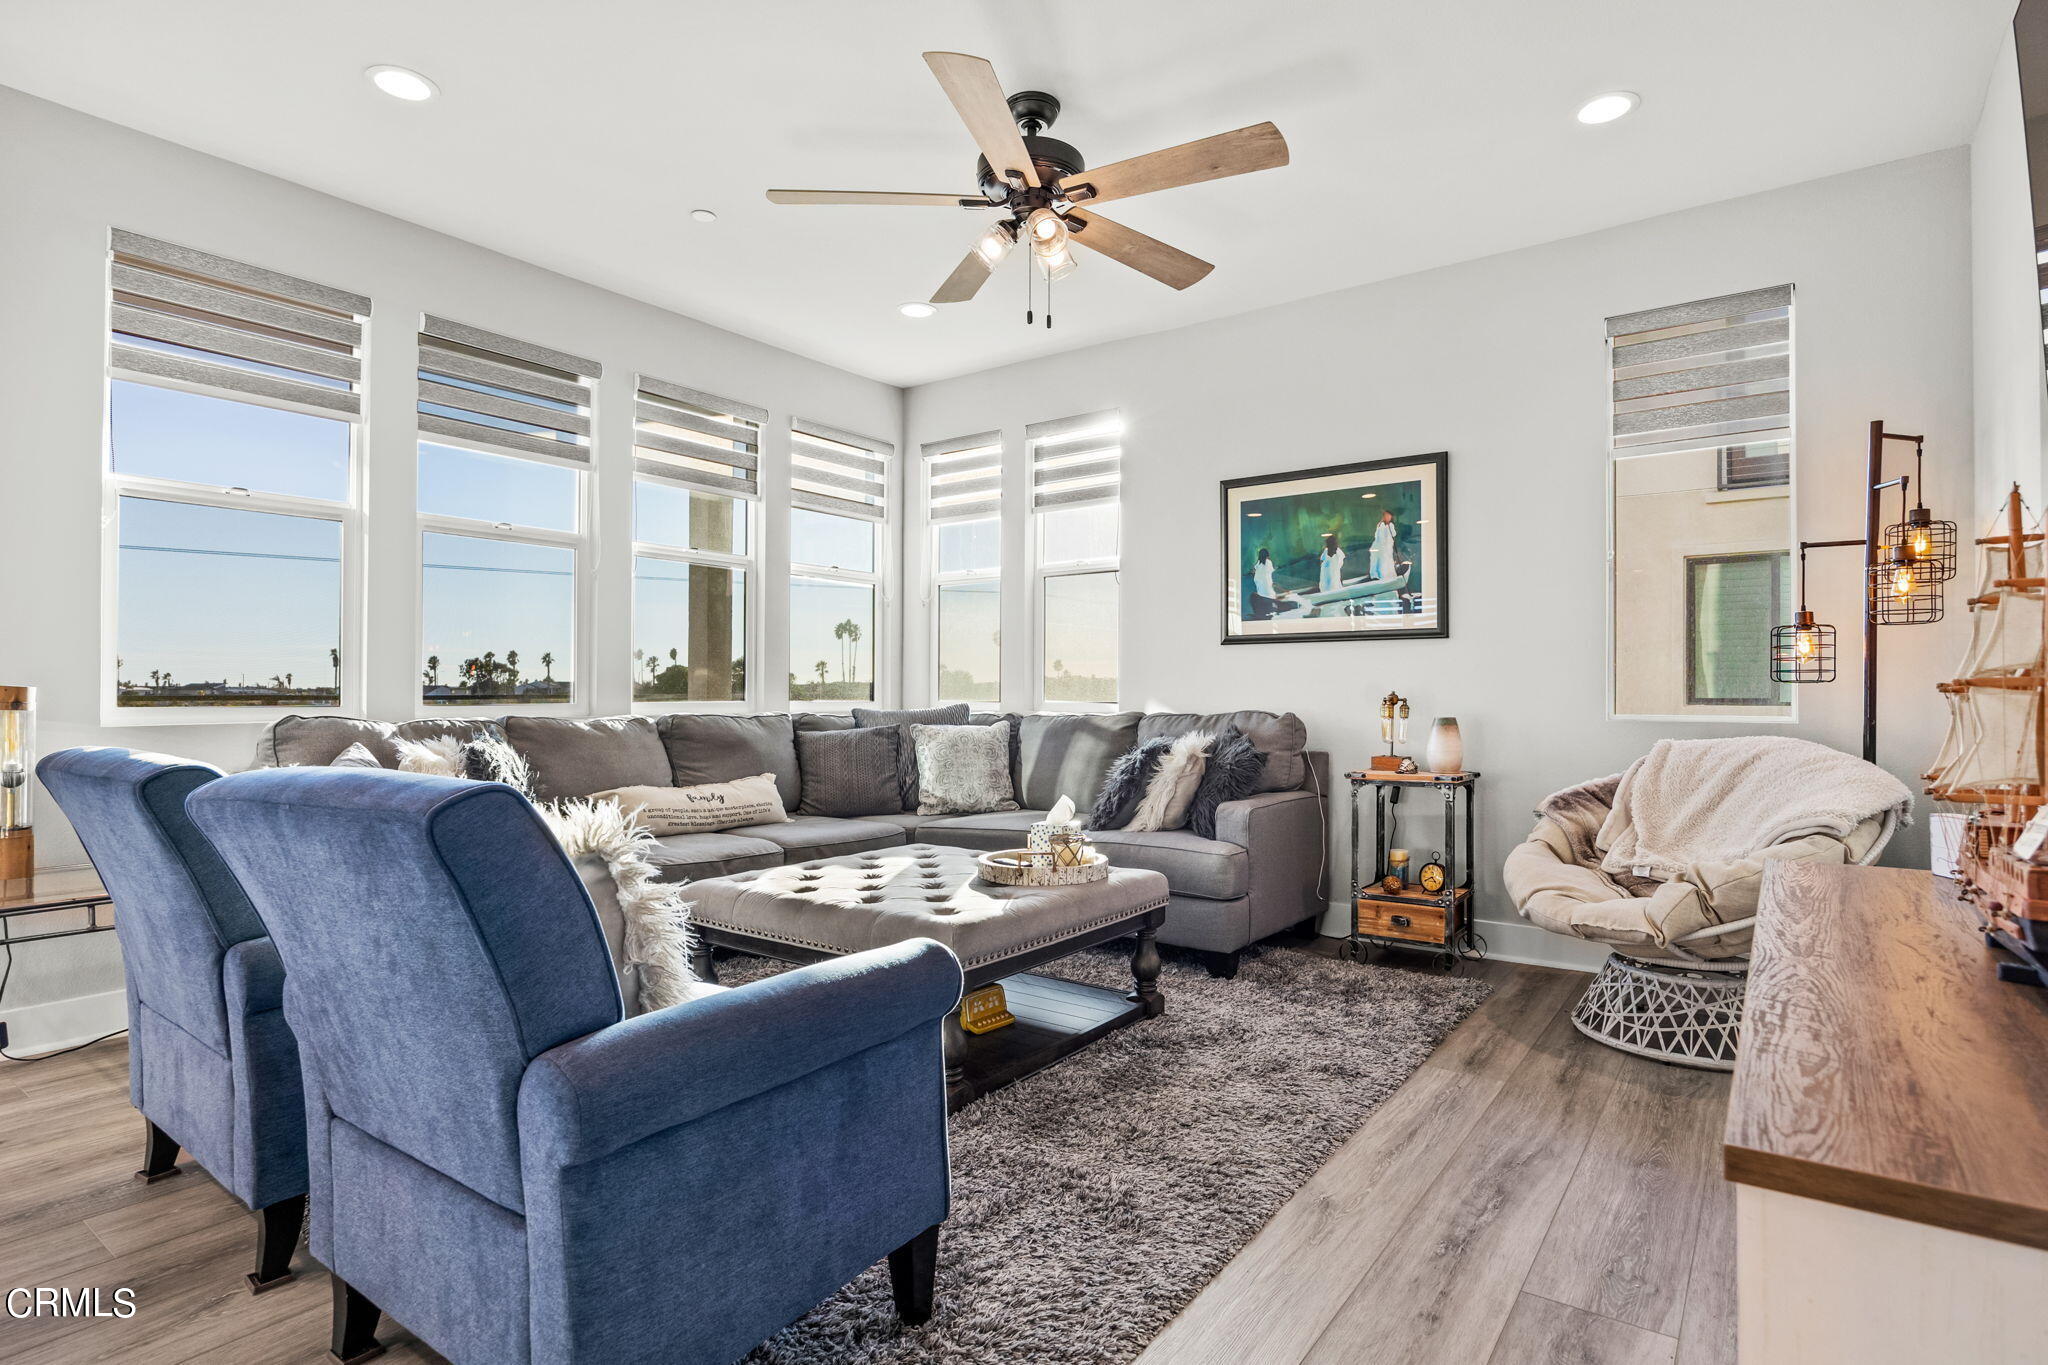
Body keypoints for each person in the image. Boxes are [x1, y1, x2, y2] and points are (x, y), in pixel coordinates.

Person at [1369, 509, 1398, 582]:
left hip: (1387, 547)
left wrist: (1389, 527)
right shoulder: (1380, 525)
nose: (1387, 517)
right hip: (1379, 546)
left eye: (1389, 516)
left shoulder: (1390, 525)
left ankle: (1387, 576)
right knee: (1378, 560)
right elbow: (1377, 536)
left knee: (1386, 560)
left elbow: (1393, 534)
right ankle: (1377, 576)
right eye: (1386, 516)